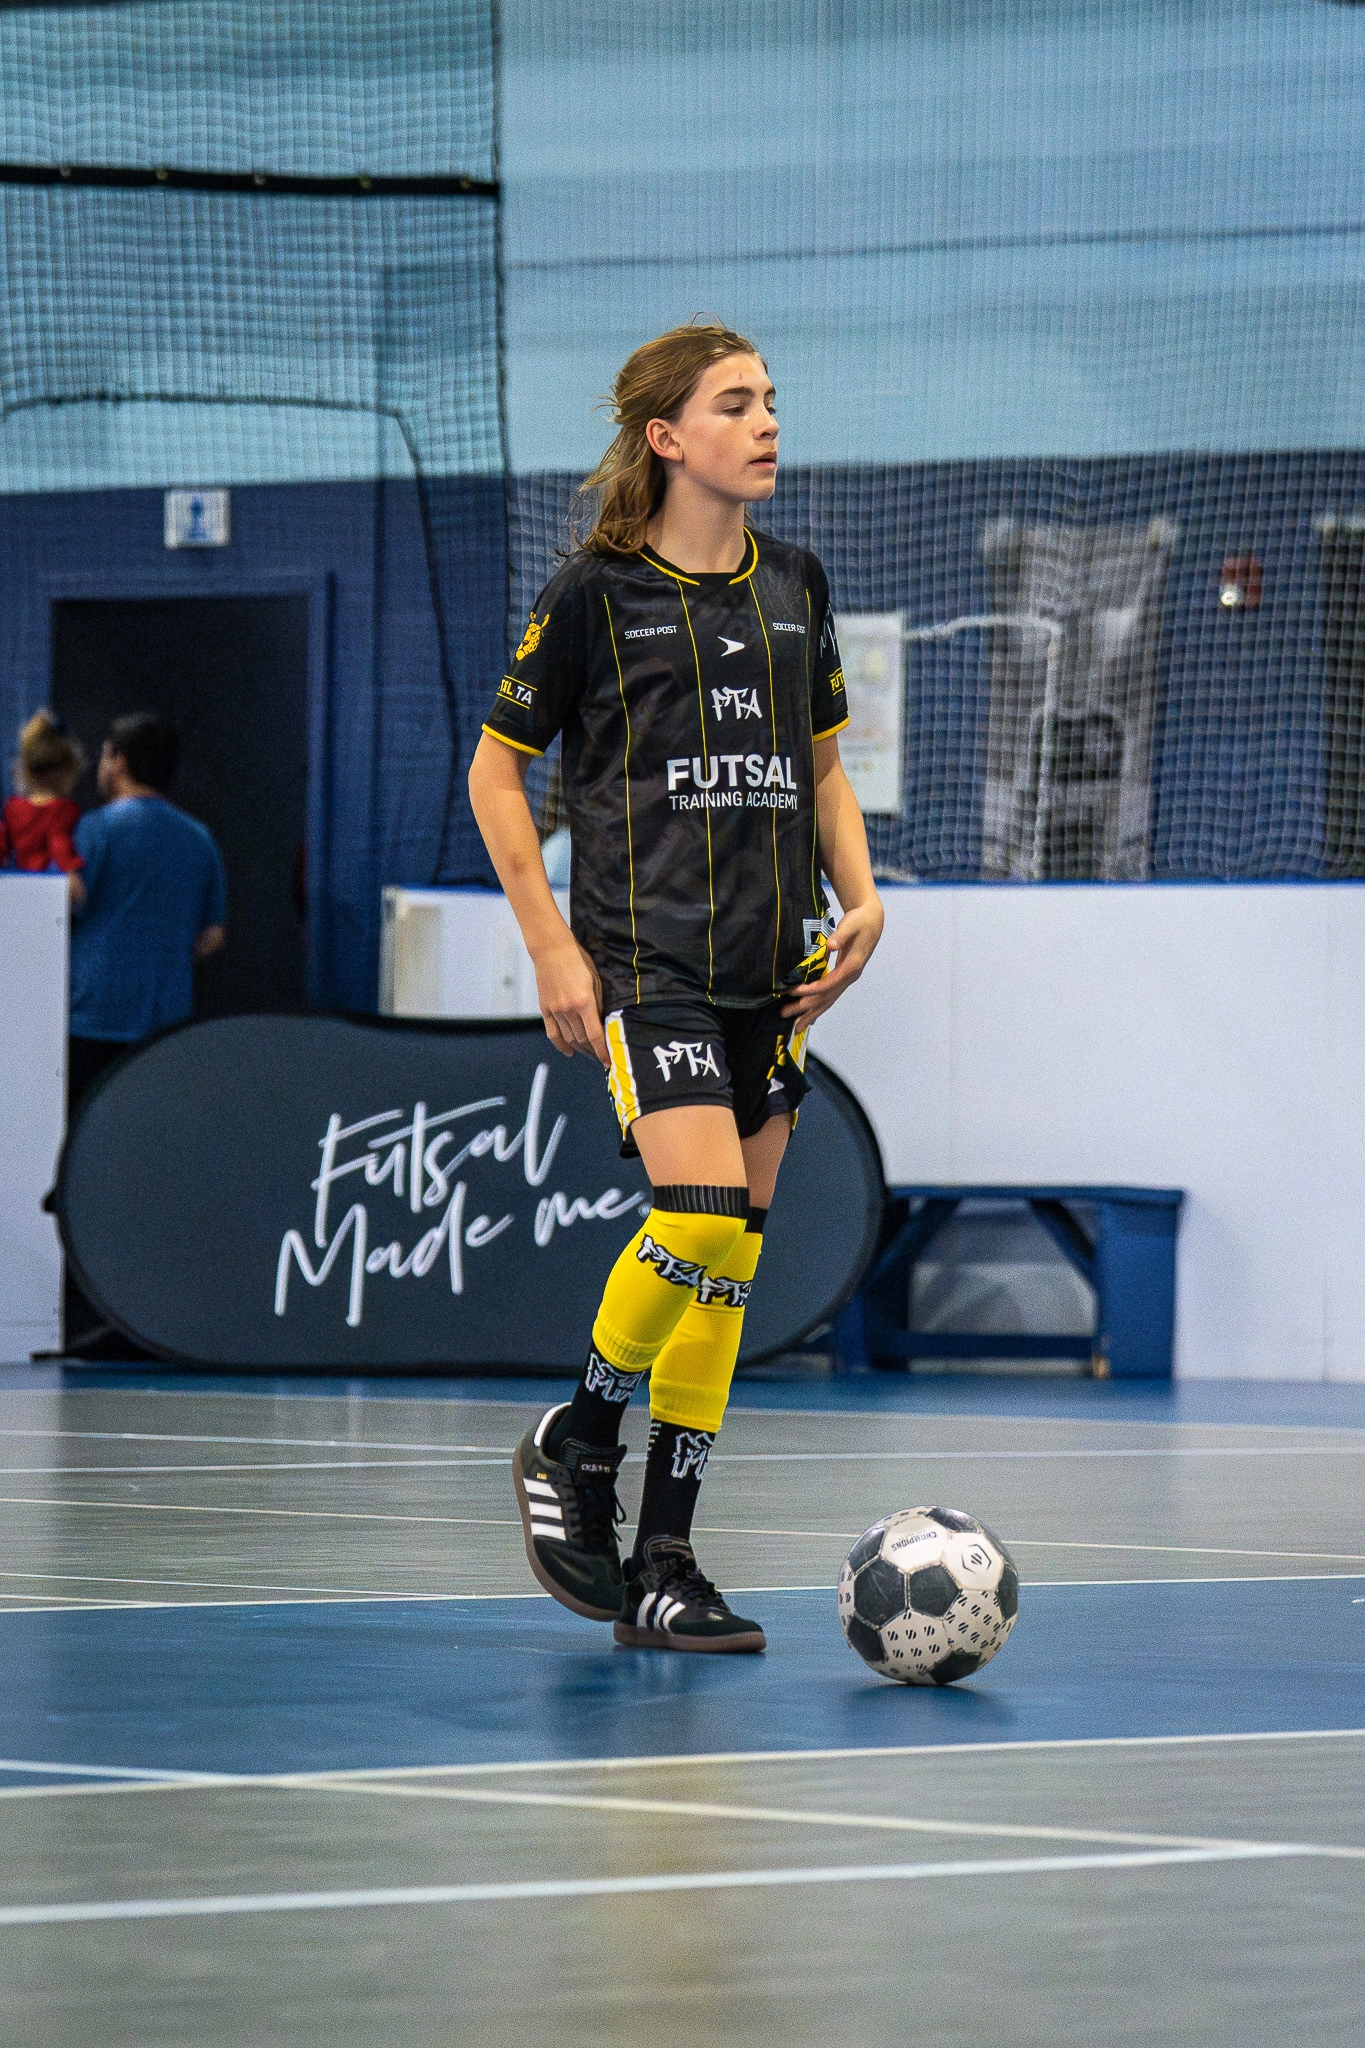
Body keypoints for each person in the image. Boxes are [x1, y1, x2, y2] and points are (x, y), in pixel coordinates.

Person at [468, 320, 884, 1654]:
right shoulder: (594, 592)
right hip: (652, 967)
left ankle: (664, 1562)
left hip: (777, 975)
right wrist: (549, 946)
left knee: (728, 1276)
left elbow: (820, 769)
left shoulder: (795, 583)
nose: (766, 423)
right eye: (735, 404)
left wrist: (863, 898)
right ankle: (580, 1432)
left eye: (771, 399)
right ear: (666, 437)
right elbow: (496, 774)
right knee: (695, 1218)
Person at [67, 712, 227, 1106]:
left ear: (118, 761)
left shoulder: (95, 829)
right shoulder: (200, 840)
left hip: (91, 1020)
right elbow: (212, 937)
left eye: (104, 755)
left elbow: (66, 908)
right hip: (164, 1029)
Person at [0, 711, 85, 881]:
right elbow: (60, 843)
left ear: (25, 768)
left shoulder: (12, 808)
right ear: (68, 772)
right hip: (49, 888)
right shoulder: (65, 809)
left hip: (16, 885)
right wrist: (72, 873)